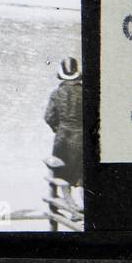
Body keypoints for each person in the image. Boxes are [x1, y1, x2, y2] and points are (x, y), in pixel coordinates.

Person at [44, 56, 84, 190]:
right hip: (81, 137)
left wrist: (58, 128)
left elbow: (49, 117)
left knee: (59, 171)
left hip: (62, 137)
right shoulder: (85, 92)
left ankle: (57, 201)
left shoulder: (56, 93)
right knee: (81, 174)